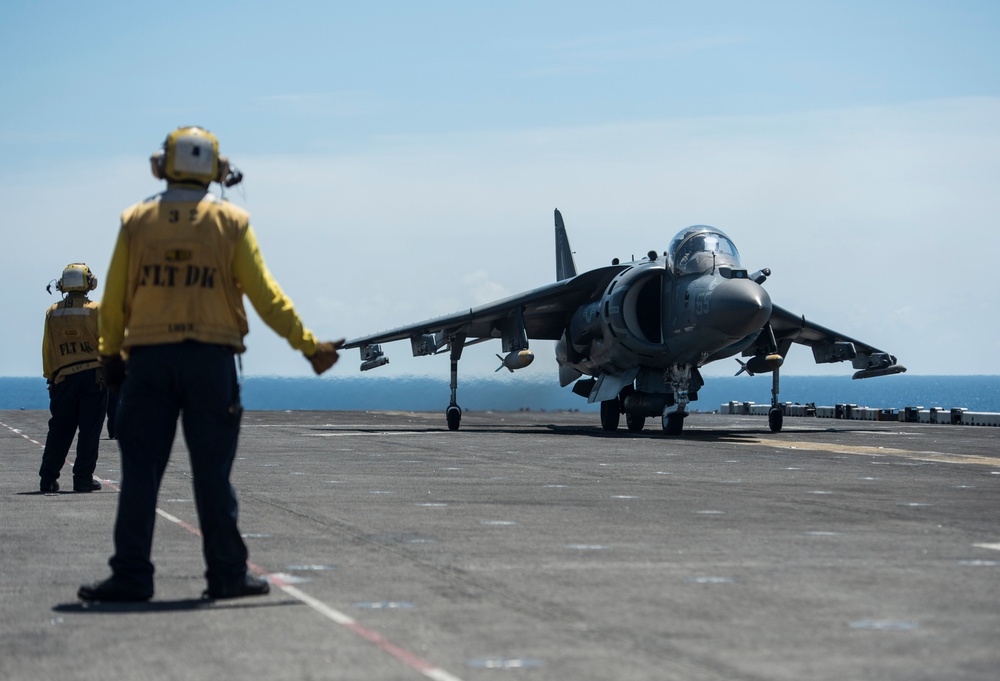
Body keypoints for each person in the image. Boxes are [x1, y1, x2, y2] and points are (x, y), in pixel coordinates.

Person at [78, 126, 342, 602]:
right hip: (211, 364)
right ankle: (226, 575)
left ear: (162, 165)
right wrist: (309, 345)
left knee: (140, 471)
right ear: (217, 170)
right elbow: (267, 297)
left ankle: (132, 576)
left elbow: (114, 300)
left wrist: (110, 356)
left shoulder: (136, 220)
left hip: (149, 363)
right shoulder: (232, 222)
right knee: (211, 473)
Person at [39, 263, 107, 493]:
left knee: (59, 429)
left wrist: (51, 377)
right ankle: (82, 479)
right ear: (89, 283)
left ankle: (47, 478)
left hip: (62, 379)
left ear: (63, 284)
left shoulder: (53, 312)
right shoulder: (97, 310)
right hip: (93, 378)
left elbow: (47, 349)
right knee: (89, 430)